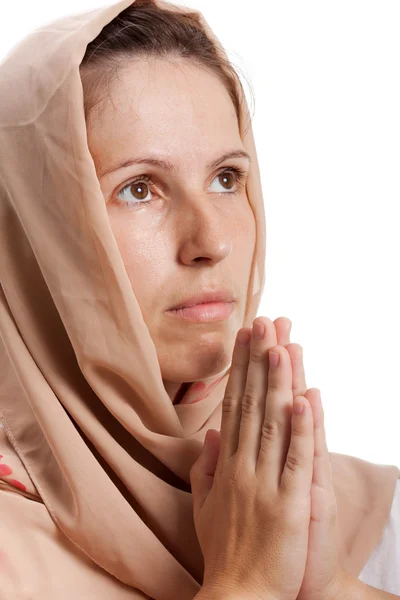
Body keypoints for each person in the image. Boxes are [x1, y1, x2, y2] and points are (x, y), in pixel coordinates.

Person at [0, 0, 398, 598]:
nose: (211, 241)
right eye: (139, 189)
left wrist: (334, 588)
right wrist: (248, 585)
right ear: (36, 234)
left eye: (226, 179)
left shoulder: (364, 518)